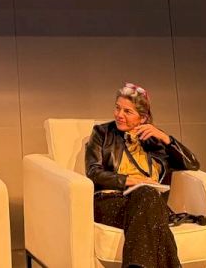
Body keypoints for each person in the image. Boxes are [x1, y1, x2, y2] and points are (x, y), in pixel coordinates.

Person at [85, 83, 200, 268]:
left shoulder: (155, 141)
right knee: (150, 202)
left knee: (147, 198)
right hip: (109, 201)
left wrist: (167, 139)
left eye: (127, 111)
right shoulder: (102, 133)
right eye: (117, 108)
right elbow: (93, 172)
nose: (119, 114)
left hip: (147, 203)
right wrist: (128, 180)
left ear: (143, 118)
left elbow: (192, 164)